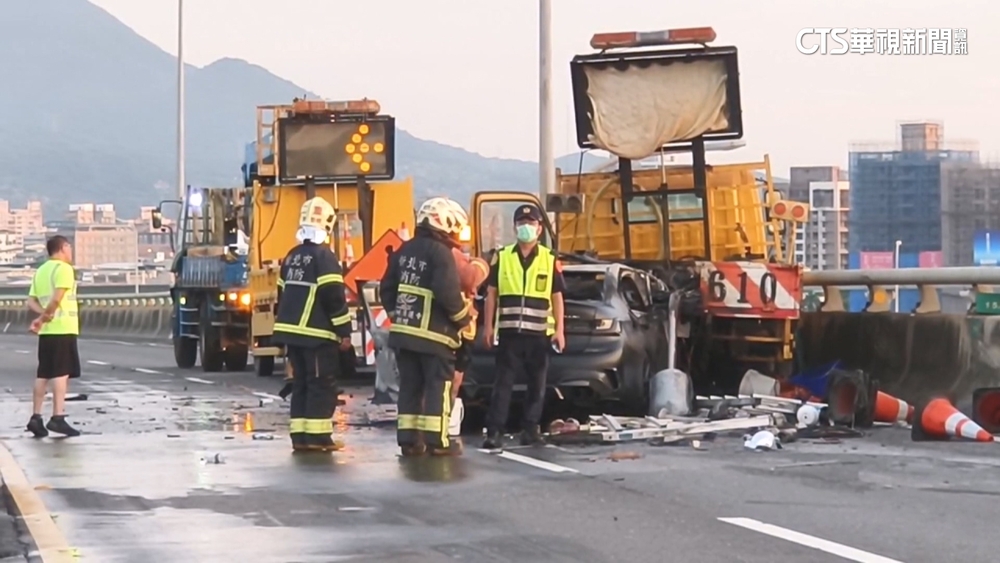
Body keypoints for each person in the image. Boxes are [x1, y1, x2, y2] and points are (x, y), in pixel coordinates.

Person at [380, 196, 473, 457]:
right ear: (444, 223)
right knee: (437, 388)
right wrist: (464, 319)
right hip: (435, 338)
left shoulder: (403, 250)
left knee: (410, 387)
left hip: (404, 337)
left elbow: (386, 288)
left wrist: (395, 315)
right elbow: (447, 293)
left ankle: (409, 441)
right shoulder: (441, 254)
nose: (456, 233)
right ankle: (436, 441)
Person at [272, 197, 354, 452]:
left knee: (302, 384)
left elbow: (281, 295)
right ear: (328, 225)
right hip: (317, 336)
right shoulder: (325, 258)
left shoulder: (292, 256)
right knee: (321, 385)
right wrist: (344, 332)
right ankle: (319, 439)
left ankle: (301, 437)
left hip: (292, 335)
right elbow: (334, 298)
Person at [482, 204, 566, 450]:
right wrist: (488, 327)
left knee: (537, 386)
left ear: (540, 229)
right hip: (509, 334)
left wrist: (560, 330)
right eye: (521, 223)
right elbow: (491, 293)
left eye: (531, 223)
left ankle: (530, 429)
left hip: (539, 334)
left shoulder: (550, 259)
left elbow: (557, 296)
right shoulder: (503, 256)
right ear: (515, 227)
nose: (526, 228)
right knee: (503, 385)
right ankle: (495, 431)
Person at [26, 235, 81, 438]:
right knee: (61, 373)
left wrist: (41, 316)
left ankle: (36, 417)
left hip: (47, 333)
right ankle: (58, 417)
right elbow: (57, 298)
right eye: (69, 247)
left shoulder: (41, 271)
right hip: (62, 327)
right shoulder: (64, 269)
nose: (70, 251)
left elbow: (30, 301)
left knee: (43, 374)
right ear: (63, 247)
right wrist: (46, 317)